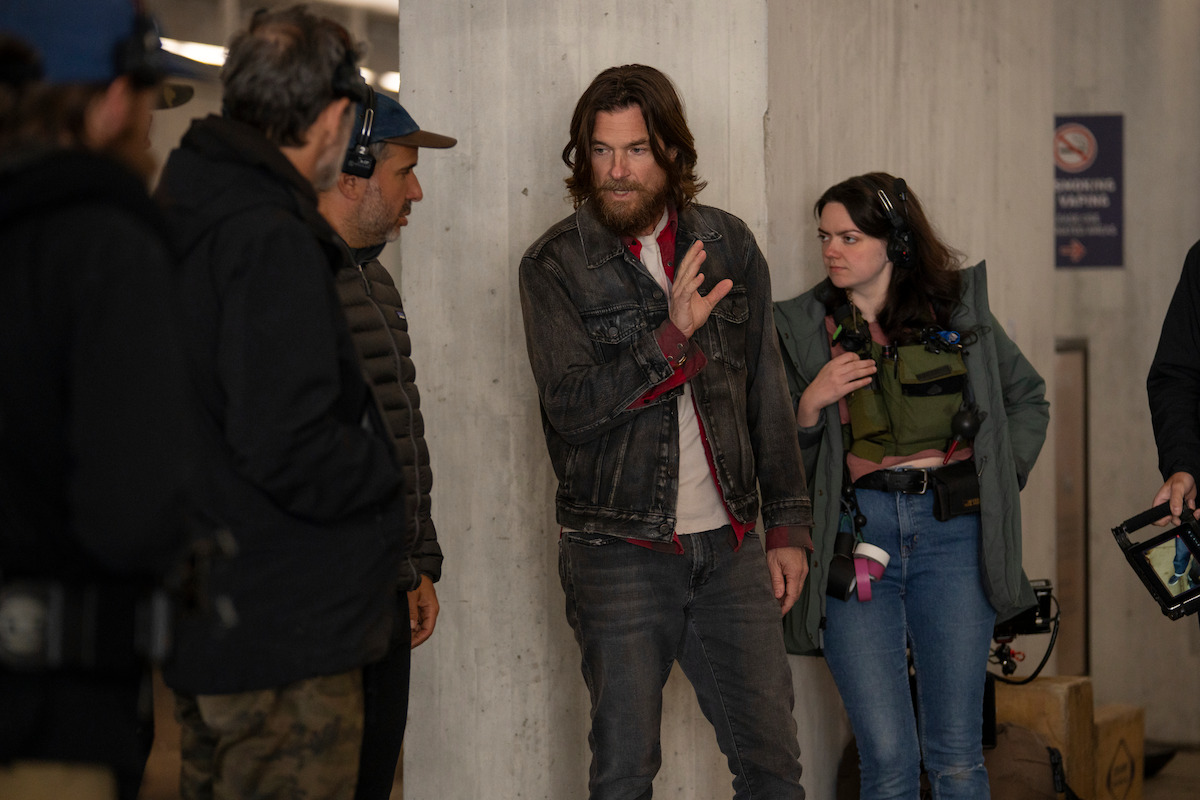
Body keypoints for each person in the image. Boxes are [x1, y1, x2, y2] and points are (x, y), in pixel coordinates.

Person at [519, 64, 811, 800]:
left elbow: (764, 392)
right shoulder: (554, 266)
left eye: (637, 151)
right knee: (623, 775)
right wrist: (670, 338)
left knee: (773, 770)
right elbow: (571, 408)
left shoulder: (729, 246)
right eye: (601, 151)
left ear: (673, 154)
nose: (616, 172)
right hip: (617, 550)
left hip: (732, 548)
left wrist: (787, 529)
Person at [153, 7, 409, 798]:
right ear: (333, 119)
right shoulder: (266, 237)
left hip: (215, 612)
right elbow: (287, 441)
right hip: (281, 633)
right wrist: (379, 473)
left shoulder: (189, 209)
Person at [773, 173, 1049, 800]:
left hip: (952, 532)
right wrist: (810, 405)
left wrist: (1001, 479)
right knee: (888, 758)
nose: (831, 251)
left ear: (895, 242)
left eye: (849, 236)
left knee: (955, 756)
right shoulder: (803, 327)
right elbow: (782, 461)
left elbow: (1027, 398)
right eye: (824, 237)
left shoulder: (957, 313)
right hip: (857, 534)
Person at [0, 2, 195, 797]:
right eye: (147, 95)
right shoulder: (108, 246)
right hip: (52, 713)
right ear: (111, 97)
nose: (149, 121)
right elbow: (133, 511)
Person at [317, 89, 455, 800]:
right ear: (350, 176)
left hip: (384, 586)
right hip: (329, 599)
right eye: (403, 171)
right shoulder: (295, 283)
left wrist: (416, 562)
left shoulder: (374, 279)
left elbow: (400, 434)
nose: (418, 190)